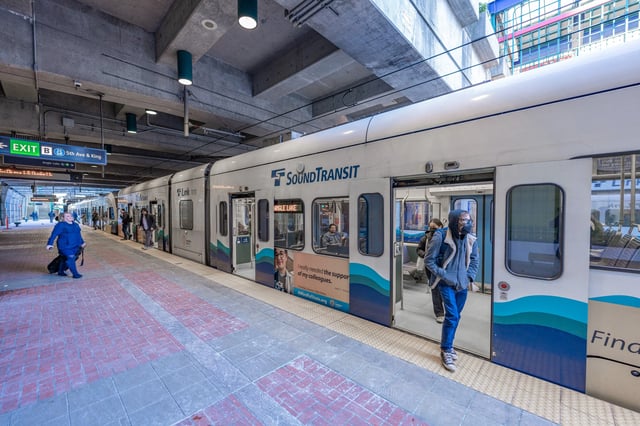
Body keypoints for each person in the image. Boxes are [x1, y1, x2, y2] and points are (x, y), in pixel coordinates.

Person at [425, 209, 478, 373]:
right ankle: (446, 349)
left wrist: (469, 278)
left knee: (456, 316)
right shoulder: (441, 236)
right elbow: (429, 260)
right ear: (454, 221)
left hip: (462, 284)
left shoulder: (471, 238)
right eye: (462, 220)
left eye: (468, 220)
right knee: (452, 315)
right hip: (446, 283)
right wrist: (443, 275)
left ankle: (448, 345)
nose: (466, 223)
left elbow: (475, 260)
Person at [416, 218, 446, 323]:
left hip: (444, 267)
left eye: (435, 228)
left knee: (444, 288)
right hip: (430, 267)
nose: (432, 230)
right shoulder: (426, 237)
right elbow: (419, 249)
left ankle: (443, 304)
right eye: (431, 227)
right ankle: (439, 313)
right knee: (435, 288)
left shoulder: (446, 238)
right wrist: (426, 256)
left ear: (441, 227)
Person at [46, 211, 87, 279]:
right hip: (65, 246)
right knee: (71, 258)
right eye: (67, 216)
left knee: (63, 258)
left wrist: (82, 242)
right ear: (63, 218)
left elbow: (78, 235)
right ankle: (75, 274)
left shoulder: (76, 225)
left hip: (75, 245)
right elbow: (54, 235)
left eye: (70, 215)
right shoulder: (60, 225)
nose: (70, 217)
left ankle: (60, 271)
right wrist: (50, 244)